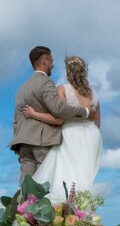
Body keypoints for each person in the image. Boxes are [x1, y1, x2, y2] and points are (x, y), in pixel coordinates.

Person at [22, 55, 104, 203]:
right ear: (84, 71)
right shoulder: (94, 94)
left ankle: (64, 211)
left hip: (71, 135)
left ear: (68, 72)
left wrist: (34, 114)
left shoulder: (62, 89)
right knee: (84, 176)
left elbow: (60, 117)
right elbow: (97, 123)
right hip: (92, 137)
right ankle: (82, 211)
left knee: (65, 174)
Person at [8, 46, 93, 183]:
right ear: (45, 60)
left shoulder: (21, 89)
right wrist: (85, 112)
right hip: (42, 141)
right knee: (45, 182)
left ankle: (23, 205)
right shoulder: (45, 82)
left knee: (26, 184)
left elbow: (16, 119)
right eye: (51, 61)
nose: (53, 65)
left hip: (23, 144)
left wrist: (19, 149)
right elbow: (58, 109)